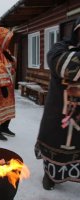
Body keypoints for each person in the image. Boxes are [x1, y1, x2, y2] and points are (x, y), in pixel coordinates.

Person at [35, 17, 80, 190]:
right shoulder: (60, 48)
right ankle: (50, 176)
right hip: (58, 112)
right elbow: (64, 66)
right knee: (54, 146)